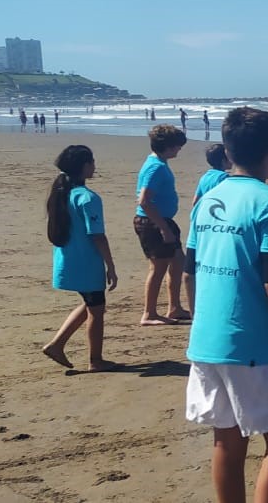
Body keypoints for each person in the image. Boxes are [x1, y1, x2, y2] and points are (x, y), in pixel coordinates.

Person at [184, 106, 268, 503]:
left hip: (207, 339)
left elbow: (190, 271)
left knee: (227, 438)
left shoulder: (206, 200)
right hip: (253, 344)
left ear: (227, 149)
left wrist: (199, 320)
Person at [42, 145, 119, 371]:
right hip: (85, 263)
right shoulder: (86, 197)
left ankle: (57, 344)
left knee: (91, 304)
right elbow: (97, 236)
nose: (94, 166)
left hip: (68, 260)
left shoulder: (61, 193)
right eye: (92, 162)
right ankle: (96, 359)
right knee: (97, 310)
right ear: (84, 166)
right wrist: (111, 266)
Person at [134, 124, 189, 325]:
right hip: (153, 223)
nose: (179, 150)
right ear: (168, 146)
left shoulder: (159, 163)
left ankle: (174, 307)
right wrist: (164, 228)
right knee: (158, 268)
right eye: (177, 147)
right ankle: (149, 313)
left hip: (163, 220)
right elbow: (144, 201)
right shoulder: (155, 167)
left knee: (177, 262)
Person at [183, 144, 232, 315]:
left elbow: (195, 201)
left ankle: (193, 309)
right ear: (223, 159)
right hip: (217, 226)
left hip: (201, 225)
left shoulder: (205, 177)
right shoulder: (224, 179)